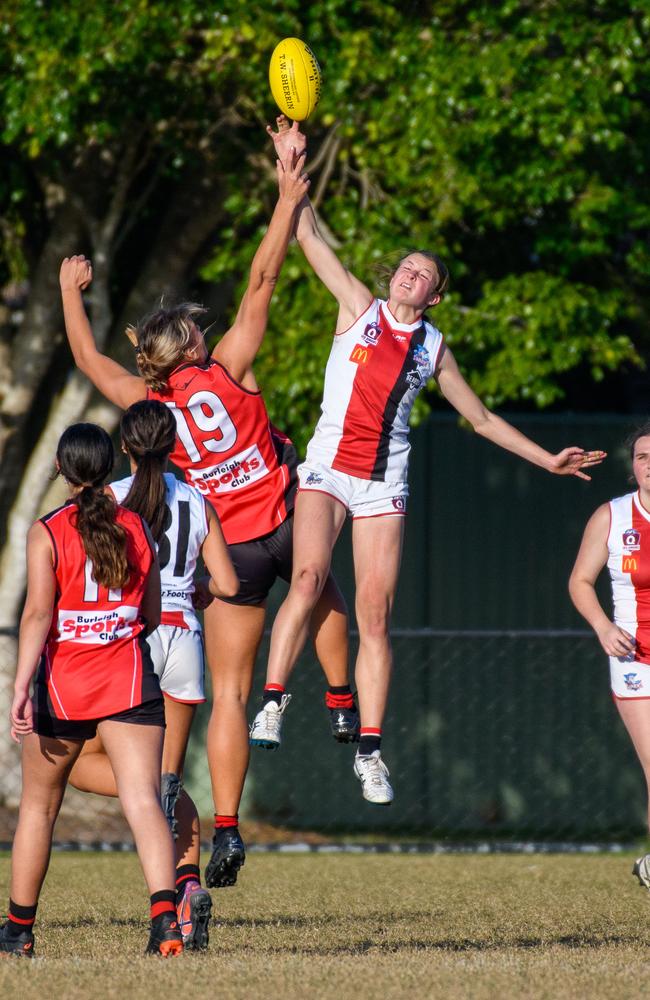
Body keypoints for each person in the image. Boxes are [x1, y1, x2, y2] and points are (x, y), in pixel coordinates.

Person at [250, 116, 606, 806]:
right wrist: (290, 167)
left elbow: (479, 418)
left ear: (435, 295)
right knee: (309, 574)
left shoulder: (433, 348)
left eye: (425, 275)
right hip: (327, 466)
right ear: (394, 277)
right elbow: (305, 234)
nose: (412, 275)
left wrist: (547, 460)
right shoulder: (357, 306)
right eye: (407, 267)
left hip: (385, 479)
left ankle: (371, 752)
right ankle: (274, 702)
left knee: (376, 616)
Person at [59, 147, 355, 889]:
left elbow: (90, 360)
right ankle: (348, 705)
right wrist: (286, 195)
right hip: (285, 515)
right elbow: (264, 277)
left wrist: (71, 291)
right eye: (193, 328)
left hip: (238, 551)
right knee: (324, 590)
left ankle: (227, 826)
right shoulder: (228, 365)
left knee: (230, 693)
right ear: (189, 346)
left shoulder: (144, 404)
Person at [0, 423, 182, 958]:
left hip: (64, 685)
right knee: (143, 800)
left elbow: (37, 614)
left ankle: (17, 932)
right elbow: (151, 614)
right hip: (129, 679)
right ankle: (166, 922)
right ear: (108, 468)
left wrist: (19, 688)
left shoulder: (48, 530)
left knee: (38, 808)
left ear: (61, 467)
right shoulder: (138, 527)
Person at [67, 400, 238, 949]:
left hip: (132, 640)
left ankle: (171, 904)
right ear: (174, 445)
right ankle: (187, 890)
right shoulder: (197, 500)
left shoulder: (110, 499)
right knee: (166, 784)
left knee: (85, 766)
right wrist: (199, 588)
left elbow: (98, 575)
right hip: (185, 639)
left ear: (124, 446)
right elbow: (231, 587)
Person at [569, 423, 650, 889]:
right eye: (642, 456)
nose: (649, 464)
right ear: (633, 466)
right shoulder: (613, 516)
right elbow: (579, 582)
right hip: (634, 657)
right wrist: (603, 626)